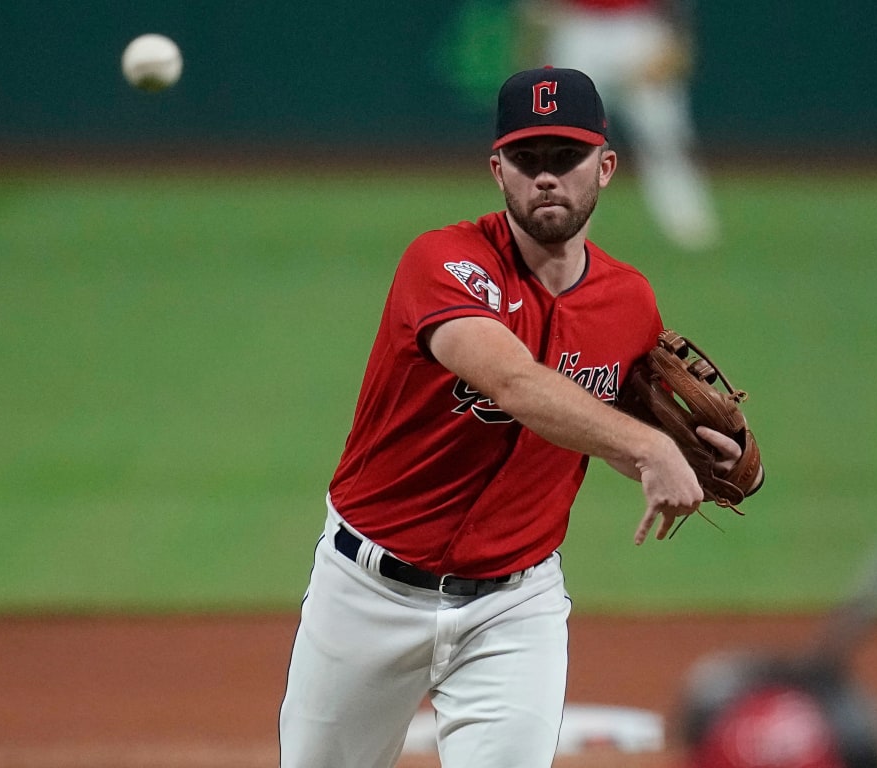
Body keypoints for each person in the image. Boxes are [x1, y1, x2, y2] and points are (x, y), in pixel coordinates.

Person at [277, 66, 758, 768]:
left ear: (607, 166)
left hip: (514, 607)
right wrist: (650, 449)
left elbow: (599, 427)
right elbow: (513, 383)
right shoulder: (442, 262)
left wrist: (681, 455)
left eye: (566, 159)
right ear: (496, 169)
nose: (547, 178)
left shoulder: (630, 304)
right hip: (366, 595)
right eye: (527, 160)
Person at [519, 0, 721, 251]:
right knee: (566, 136)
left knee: (662, 134)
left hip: (640, 28)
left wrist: (677, 37)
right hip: (577, 27)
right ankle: (557, 224)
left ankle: (688, 225)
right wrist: (538, 35)